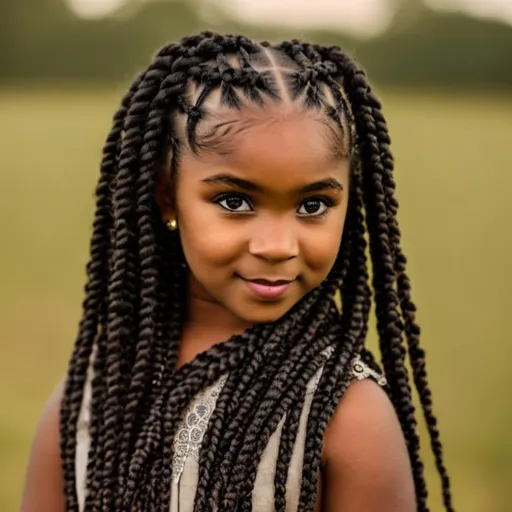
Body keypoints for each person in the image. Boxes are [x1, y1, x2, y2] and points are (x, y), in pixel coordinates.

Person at [21, 31, 454, 512]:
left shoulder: (348, 415)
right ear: (167, 195)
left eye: (313, 205)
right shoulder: (95, 396)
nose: (276, 246)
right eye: (235, 201)